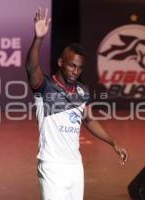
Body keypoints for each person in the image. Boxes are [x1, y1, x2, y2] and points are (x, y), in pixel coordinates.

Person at [25, 8, 128, 200]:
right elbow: (31, 68)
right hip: (51, 165)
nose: (75, 71)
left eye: (80, 67)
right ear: (60, 62)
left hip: (75, 166)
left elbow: (89, 120)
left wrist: (113, 142)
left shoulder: (82, 91)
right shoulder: (45, 87)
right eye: (72, 65)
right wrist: (38, 38)